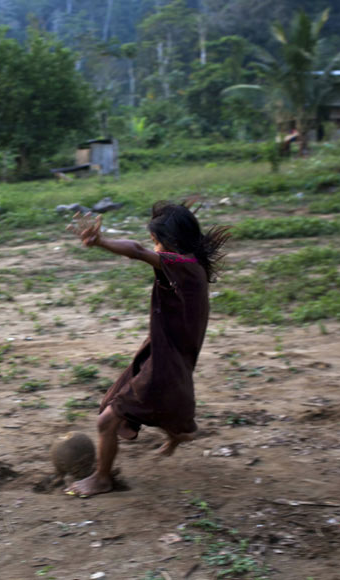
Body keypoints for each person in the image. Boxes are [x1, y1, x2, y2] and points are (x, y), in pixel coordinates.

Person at [65, 202, 230, 496]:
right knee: (135, 400)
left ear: (171, 242)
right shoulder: (191, 265)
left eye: (156, 241)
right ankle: (178, 433)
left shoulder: (184, 267)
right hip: (162, 352)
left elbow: (138, 251)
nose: (155, 248)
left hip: (166, 362)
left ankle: (102, 478)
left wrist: (101, 242)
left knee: (108, 419)